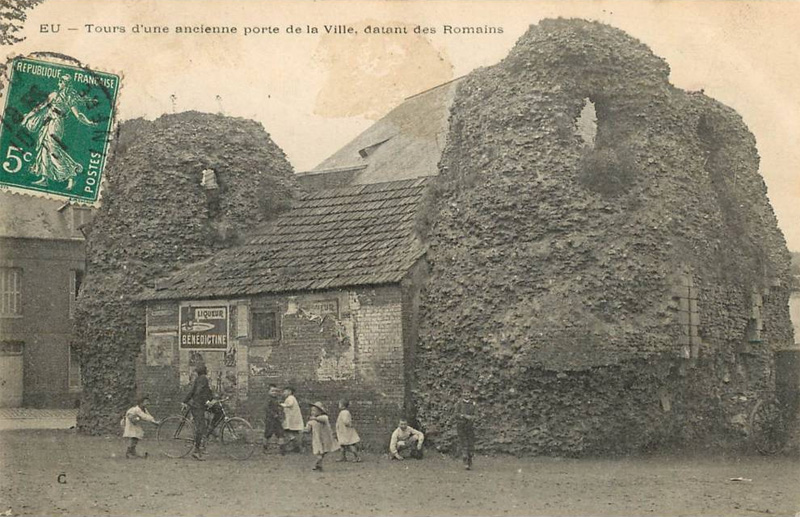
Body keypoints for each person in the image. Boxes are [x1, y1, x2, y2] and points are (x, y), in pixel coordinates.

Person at [21, 74, 98, 190]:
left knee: (53, 148)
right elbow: (39, 107)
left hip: (56, 124)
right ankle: (44, 178)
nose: (59, 84)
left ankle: (71, 175)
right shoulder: (54, 95)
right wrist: (27, 118)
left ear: (65, 84)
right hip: (47, 122)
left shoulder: (70, 98)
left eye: (61, 82)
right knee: (44, 148)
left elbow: (78, 115)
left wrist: (88, 122)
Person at [181, 364, 222, 460]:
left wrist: (213, 399)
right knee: (200, 427)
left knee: (219, 410)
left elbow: (204, 392)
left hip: (201, 404)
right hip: (198, 406)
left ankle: (209, 431)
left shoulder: (199, 379)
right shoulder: (203, 378)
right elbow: (199, 392)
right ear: (204, 371)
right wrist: (207, 401)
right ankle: (196, 450)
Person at [121, 395, 160, 459]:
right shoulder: (137, 409)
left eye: (148, 402)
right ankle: (129, 452)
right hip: (130, 422)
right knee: (133, 436)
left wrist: (154, 422)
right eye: (146, 402)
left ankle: (132, 451)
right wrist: (154, 422)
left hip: (135, 422)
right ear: (141, 403)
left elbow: (148, 416)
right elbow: (144, 416)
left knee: (137, 436)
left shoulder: (144, 409)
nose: (148, 403)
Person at [304, 402, 339, 471]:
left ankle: (317, 464)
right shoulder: (311, 421)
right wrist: (304, 429)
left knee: (323, 451)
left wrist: (314, 419)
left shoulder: (324, 417)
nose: (312, 412)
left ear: (320, 411)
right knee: (319, 452)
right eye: (312, 411)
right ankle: (318, 464)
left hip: (325, 438)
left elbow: (321, 419)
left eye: (314, 410)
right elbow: (307, 429)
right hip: (317, 438)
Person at [454, 390, 477, 470]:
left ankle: (470, 460)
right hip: (461, 426)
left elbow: (476, 415)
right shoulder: (459, 403)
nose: (466, 394)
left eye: (468, 393)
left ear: (470, 394)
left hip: (470, 426)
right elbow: (456, 414)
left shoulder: (473, 404)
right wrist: (464, 416)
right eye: (465, 393)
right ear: (462, 394)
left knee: (471, 444)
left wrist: (472, 418)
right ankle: (465, 461)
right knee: (464, 443)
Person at [263, 384, 286, 455]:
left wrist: (280, 407)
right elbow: (266, 408)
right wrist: (273, 414)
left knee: (280, 433)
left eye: (276, 391)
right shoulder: (268, 399)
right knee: (268, 434)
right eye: (272, 391)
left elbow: (277, 406)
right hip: (270, 419)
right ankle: (265, 448)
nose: (274, 392)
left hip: (276, 419)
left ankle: (282, 450)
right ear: (268, 392)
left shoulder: (276, 399)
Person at [280, 386, 304, 452]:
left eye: (285, 391)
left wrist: (281, 405)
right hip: (291, 417)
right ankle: (295, 443)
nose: (283, 393)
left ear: (290, 392)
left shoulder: (290, 398)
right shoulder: (290, 398)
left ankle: (293, 440)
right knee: (290, 429)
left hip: (292, 418)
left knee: (286, 428)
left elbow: (290, 404)